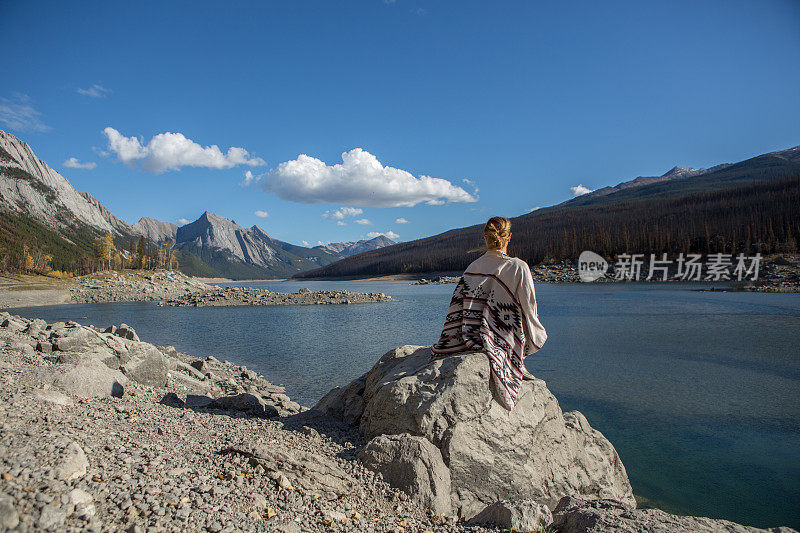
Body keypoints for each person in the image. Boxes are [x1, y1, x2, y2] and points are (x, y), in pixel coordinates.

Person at [431, 216, 547, 410]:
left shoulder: (472, 268)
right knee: (529, 320)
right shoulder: (518, 267)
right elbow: (530, 308)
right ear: (508, 237)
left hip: (469, 334)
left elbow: (457, 308)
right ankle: (518, 359)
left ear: (485, 236)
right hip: (502, 335)